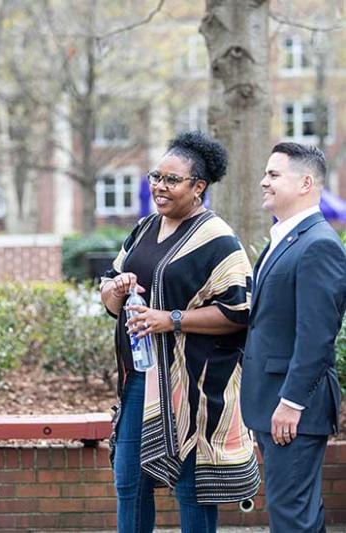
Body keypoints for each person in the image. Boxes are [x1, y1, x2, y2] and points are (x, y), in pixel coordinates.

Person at [100, 131, 260, 533]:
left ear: (198, 187)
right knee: (129, 483)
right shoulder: (143, 229)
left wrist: (170, 319)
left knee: (192, 489)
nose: (159, 186)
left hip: (192, 387)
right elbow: (108, 294)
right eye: (156, 176)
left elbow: (238, 311)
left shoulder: (217, 239)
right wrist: (115, 290)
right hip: (140, 379)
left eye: (172, 179)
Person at [241, 142, 346, 532]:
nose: (263, 182)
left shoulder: (318, 244)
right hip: (271, 403)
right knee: (294, 515)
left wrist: (291, 402)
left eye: (273, 174)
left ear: (305, 183)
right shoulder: (282, 238)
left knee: (293, 520)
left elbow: (317, 336)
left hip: (292, 409)